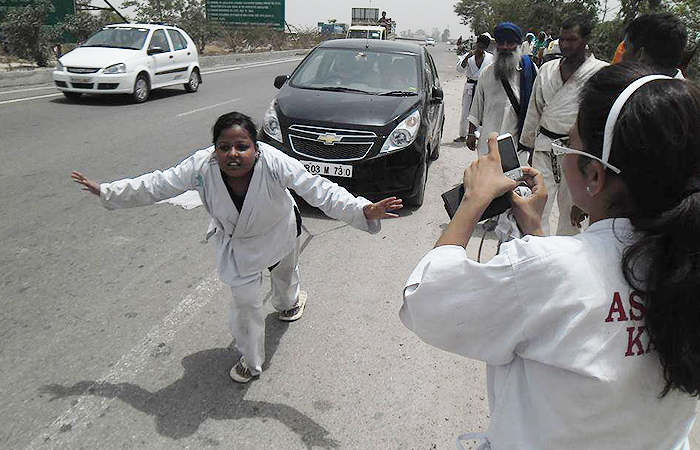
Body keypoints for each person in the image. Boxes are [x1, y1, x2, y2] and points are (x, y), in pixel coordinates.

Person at [400, 62, 700, 449]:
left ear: (595, 175)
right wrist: (535, 231)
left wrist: (474, 199)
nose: (563, 155)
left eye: (567, 146)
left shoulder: (547, 270)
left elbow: (426, 300)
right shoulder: (686, 262)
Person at [71, 112, 403, 383]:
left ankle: (289, 302)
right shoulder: (200, 167)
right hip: (239, 245)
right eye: (224, 147)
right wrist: (107, 191)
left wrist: (363, 210)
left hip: (280, 231)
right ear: (214, 149)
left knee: (285, 276)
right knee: (245, 305)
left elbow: (318, 189)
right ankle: (251, 361)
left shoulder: (275, 162)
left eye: (242, 146)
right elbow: (158, 184)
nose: (233, 154)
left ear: (256, 149)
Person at [520, 15, 607, 236]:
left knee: (572, 215)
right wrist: (528, 145)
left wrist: (595, 161)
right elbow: (534, 109)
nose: (565, 45)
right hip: (544, 147)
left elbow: (602, 122)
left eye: (572, 39)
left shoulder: (601, 73)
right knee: (537, 206)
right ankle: (538, 252)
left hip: (578, 153)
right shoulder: (547, 69)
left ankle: (565, 255)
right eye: (562, 39)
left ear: (585, 39)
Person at [466, 22, 537, 163]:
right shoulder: (486, 73)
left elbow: (538, 106)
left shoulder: (530, 70)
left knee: (517, 176)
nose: (505, 47)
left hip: (518, 145)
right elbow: (476, 105)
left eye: (510, 43)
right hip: (489, 142)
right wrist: (471, 133)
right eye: (501, 43)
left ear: (518, 45)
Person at [454, 33, 494, 144]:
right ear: (476, 44)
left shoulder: (490, 58)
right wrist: (467, 58)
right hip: (470, 86)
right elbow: (459, 69)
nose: (480, 49)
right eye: (479, 46)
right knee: (466, 111)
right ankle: (463, 134)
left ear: (486, 47)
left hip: (483, 87)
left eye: (483, 47)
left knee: (482, 111)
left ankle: (478, 135)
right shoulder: (469, 56)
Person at [621, 13, 687, 78]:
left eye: (625, 47)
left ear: (640, 55)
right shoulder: (685, 85)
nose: (621, 55)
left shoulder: (629, 83)